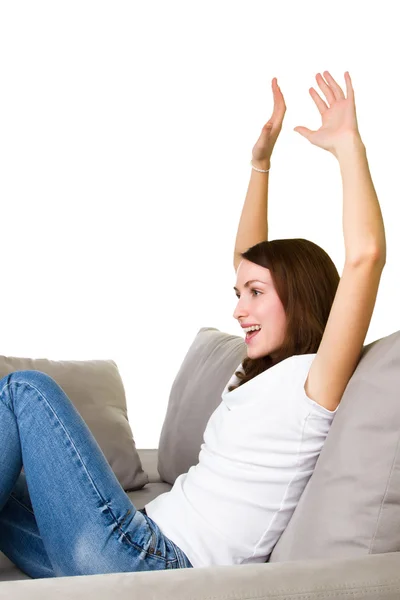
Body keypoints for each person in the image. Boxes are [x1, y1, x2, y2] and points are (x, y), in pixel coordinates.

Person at [0, 71, 386, 577]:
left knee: (25, 392)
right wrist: (260, 164)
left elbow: (366, 257)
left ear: (301, 298)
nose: (238, 309)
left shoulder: (315, 384)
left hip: (146, 561)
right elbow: (245, 258)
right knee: (12, 492)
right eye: (239, 293)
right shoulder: (259, 373)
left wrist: (348, 146)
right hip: (117, 544)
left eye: (255, 294)